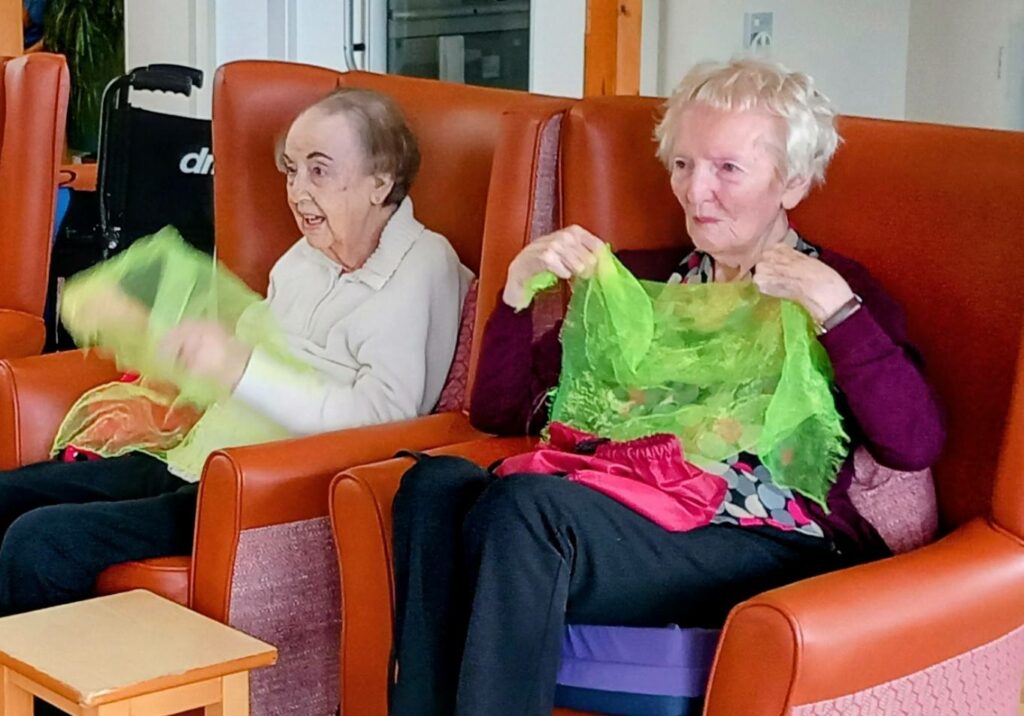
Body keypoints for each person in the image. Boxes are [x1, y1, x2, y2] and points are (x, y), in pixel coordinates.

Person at [389, 58, 945, 715]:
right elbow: (501, 413)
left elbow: (913, 443)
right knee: (433, 487)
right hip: (624, 506)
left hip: (762, 536)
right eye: (683, 164)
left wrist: (839, 314)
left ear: (792, 181)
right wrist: (515, 293)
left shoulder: (835, 290)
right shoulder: (644, 286)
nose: (695, 190)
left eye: (727, 168)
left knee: (525, 510)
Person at [0, 87, 471, 616]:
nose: (297, 192)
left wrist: (240, 369)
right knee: (6, 497)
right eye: (291, 170)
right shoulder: (304, 258)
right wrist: (154, 333)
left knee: (41, 541)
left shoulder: (422, 266)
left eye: (319, 171)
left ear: (379, 182)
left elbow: (386, 420)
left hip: (266, 491)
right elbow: (238, 358)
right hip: (198, 456)